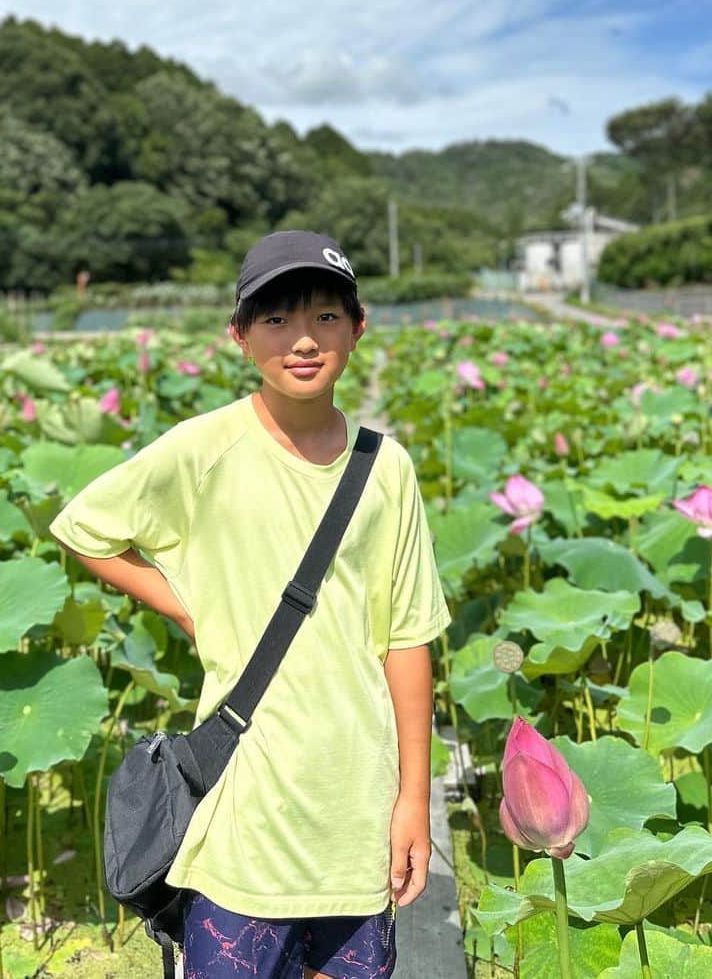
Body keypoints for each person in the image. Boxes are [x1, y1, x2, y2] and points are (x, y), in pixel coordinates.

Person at [49, 230, 450, 979]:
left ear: (358, 328)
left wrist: (413, 802)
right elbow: (84, 529)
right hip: (245, 802)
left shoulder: (384, 467)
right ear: (239, 337)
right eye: (275, 321)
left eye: (326, 317)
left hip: (356, 802)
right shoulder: (204, 449)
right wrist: (189, 607)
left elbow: (407, 641)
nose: (302, 339)